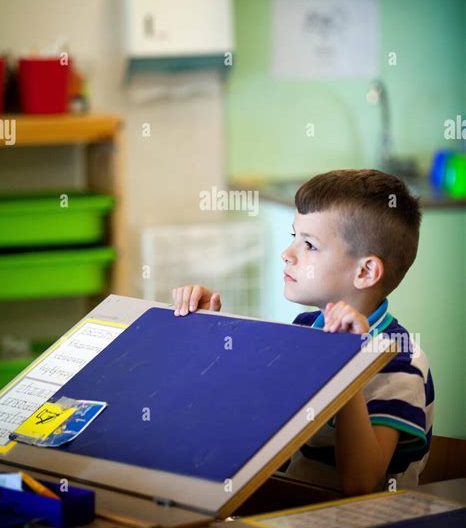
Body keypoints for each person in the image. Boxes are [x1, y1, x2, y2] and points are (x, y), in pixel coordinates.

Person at [171, 169, 434, 496]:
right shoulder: (304, 331)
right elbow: (239, 424)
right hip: (288, 512)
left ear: (365, 271)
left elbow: (360, 484)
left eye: (309, 244)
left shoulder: (399, 363)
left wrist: (347, 362)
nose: (288, 254)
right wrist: (207, 332)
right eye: (293, 236)